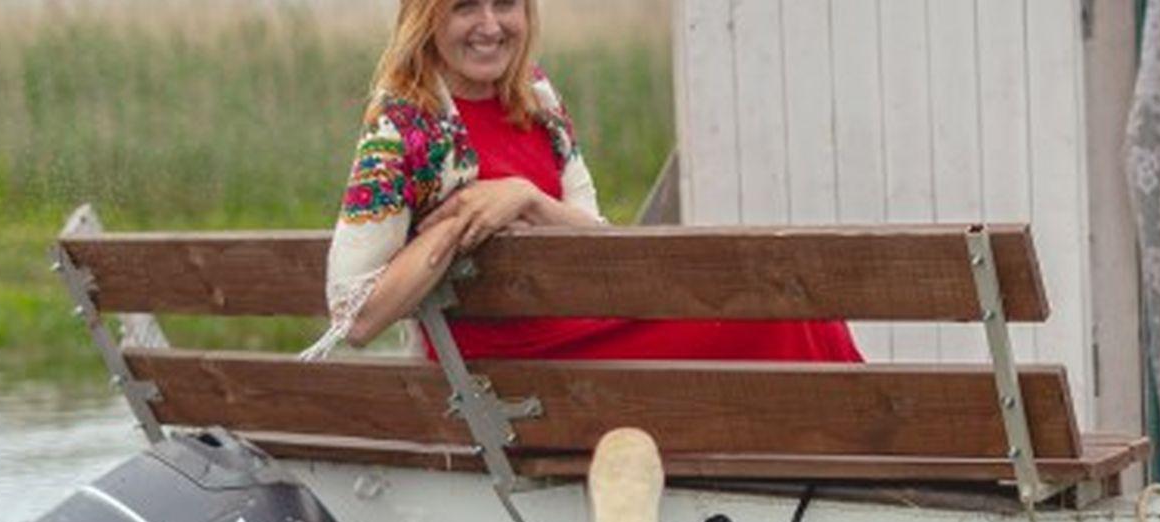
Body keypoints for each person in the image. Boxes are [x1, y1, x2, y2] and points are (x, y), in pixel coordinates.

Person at [307, 0, 861, 363]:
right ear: (426, 18)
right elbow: (355, 316)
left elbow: (598, 241)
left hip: (588, 329)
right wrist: (462, 221)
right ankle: (877, 452)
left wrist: (525, 199)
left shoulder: (537, 99)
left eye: (506, 4)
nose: (491, 24)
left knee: (796, 302)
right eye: (464, 7)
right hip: (525, 369)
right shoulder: (403, 127)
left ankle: (872, 461)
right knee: (779, 319)